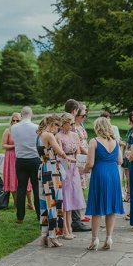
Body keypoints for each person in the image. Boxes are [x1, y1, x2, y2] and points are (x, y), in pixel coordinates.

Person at [84, 117, 124, 251]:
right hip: (113, 174)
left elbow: (90, 164)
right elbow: (120, 161)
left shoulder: (94, 141)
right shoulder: (115, 142)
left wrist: (82, 170)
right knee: (111, 207)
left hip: (100, 174)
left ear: (97, 127)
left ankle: (94, 239)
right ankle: (109, 237)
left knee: (97, 207)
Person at [36, 115, 71, 248]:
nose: (58, 129)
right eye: (57, 126)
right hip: (51, 171)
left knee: (44, 203)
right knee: (54, 203)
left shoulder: (39, 135)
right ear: (52, 124)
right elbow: (61, 152)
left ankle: (44, 235)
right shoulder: (49, 135)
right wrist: (69, 158)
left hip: (43, 169)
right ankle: (53, 236)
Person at [56, 113, 87, 240]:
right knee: (65, 198)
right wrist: (68, 161)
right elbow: (59, 155)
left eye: (74, 123)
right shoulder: (58, 136)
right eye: (71, 123)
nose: (73, 126)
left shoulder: (74, 135)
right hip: (64, 167)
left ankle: (70, 227)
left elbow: (78, 152)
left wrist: (80, 167)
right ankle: (65, 229)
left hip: (74, 168)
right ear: (64, 123)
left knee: (72, 197)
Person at [64, 99, 92, 232]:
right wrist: (89, 154)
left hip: (78, 158)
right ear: (74, 111)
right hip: (72, 160)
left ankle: (75, 219)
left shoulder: (75, 125)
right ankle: (75, 221)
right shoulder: (70, 125)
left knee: (77, 188)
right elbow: (77, 144)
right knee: (74, 189)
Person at [11, 106, 40, 223]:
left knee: (21, 188)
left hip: (21, 160)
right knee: (36, 188)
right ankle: (39, 215)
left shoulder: (14, 128)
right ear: (31, 114)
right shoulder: (36, 127)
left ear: (21, 115)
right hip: (34, 159)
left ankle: (20, 217)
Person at [1, 112, 34, 210]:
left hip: (22, 156)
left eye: (17, 120)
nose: (15, 122)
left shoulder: (24, 131)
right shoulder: (8, 131)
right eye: (13, 120)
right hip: (11, 157)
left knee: (27, 180)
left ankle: (30, 202)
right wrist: (14, 146)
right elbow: (3, 145)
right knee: (13, 179)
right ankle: (16, 203)